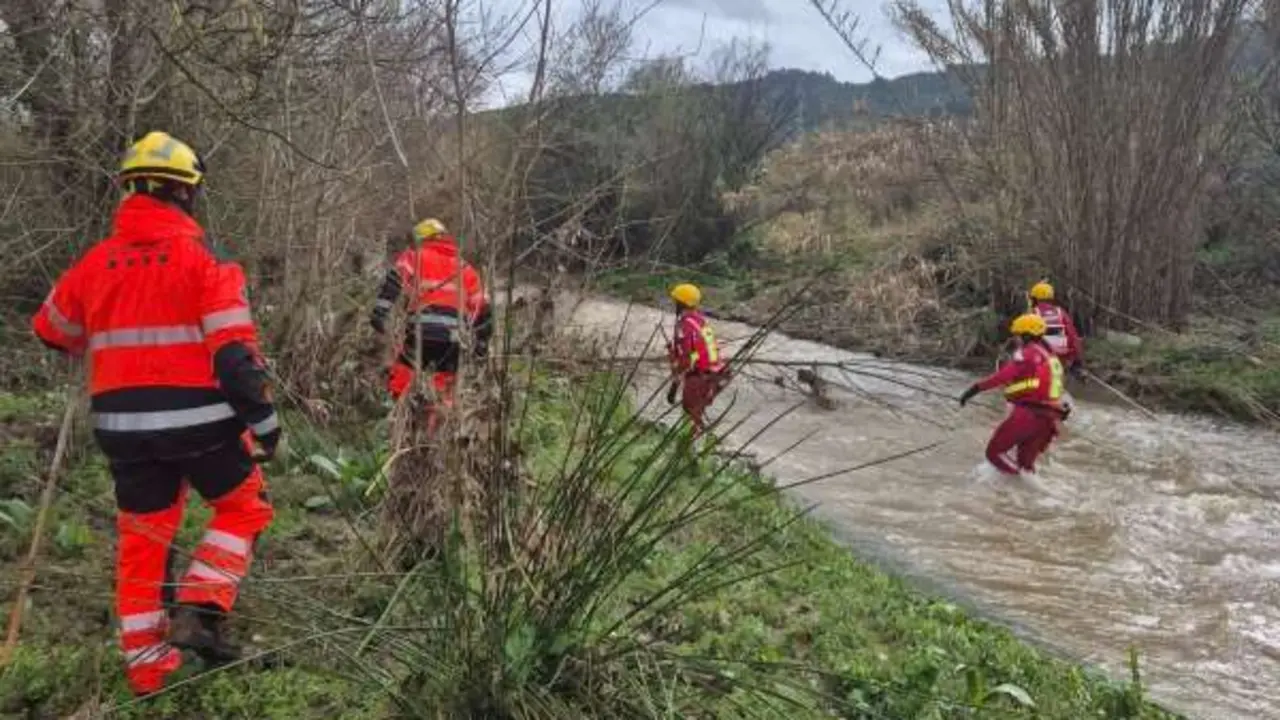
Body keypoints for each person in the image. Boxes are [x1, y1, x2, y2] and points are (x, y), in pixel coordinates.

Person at [30, 131, 279, 696]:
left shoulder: (93, 265)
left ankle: (148, 671)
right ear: (188, 194)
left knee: (143, 540)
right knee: (244, 510)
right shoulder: (207, 263)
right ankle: (201, 603)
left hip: (122, 432)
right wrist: (267, 425)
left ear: (128, 192)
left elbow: (50, 330)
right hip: (203, 428)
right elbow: (236, 360)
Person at [370, 218, 492, 432]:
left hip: (420, 334)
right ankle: (436, 435)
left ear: (421, 240)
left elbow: (394, 282)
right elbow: (482, 309)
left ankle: (399, 424)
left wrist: (380, 313)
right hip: (452, 340)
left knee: (403, 376)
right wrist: (481, 344)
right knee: (444, 389)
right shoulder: (465, 269)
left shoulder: (414, 258)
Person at [958, 313, 1069, 476]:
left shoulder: (1026, 353)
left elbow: (1001, 377)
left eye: (1018, 334)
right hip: (1048, 418)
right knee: (1026, 465)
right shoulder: (1051, 357)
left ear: (1026, 334)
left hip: (1028, 414)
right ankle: (1028, 492)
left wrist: (974, 389)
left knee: (994, 453)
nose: (1016, 339)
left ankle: (1019, 481)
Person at [666, 283, 730, 437]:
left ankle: (689, 450)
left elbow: (686, 359)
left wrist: (675, 382)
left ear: (681, 303)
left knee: (690, 418)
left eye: (675, 301)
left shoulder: (684, 325)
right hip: (718, 373)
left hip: (700, 376)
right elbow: (700, 351)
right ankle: (699, 444)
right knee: (695, 415)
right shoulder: (701, 321)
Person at [1027, 280, 1084, 377]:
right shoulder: (1060, 312)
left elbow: (1026, 339)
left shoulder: (1033, 314)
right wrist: (1077, 361)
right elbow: (1073, 336)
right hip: (1061, 359)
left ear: (1035, 299)